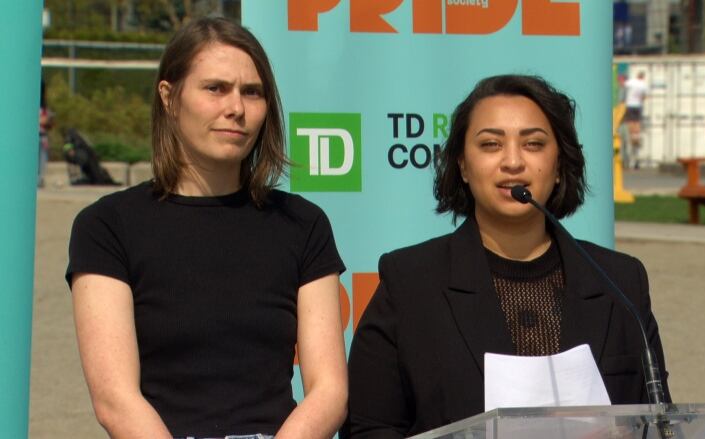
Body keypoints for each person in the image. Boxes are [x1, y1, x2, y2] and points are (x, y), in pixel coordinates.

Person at [342, 75, 670, 438]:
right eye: (491, 144)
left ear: (560, 164)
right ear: (463, 165)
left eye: (533, 143)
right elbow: (369, 428)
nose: (512, 162)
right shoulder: (410, 282)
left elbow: (659, 422)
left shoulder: (620, 282)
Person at [67, 18, 347, 439]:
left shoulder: (303, 225)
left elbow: (329, 391)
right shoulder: (107, 226)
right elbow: (115, 401)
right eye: (215, 88)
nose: (236, 108)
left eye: (252, 92)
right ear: (169, 97)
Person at [623, 71, 648, 169]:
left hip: (630, 105)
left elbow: (623, 86)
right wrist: (640, 99)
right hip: (638, 106)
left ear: (637, 76)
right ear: (643, 77)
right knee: (637, 122)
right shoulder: (643, 85)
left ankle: (632, 135)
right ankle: (636, 136)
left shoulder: (632, 82)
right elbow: (644, 97)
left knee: (630, 122)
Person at [39, 80, 53, 188]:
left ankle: (40, 179)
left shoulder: (44, 108)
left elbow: (49, 123)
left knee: (42, 160)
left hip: (42, 136)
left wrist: (47, 120)